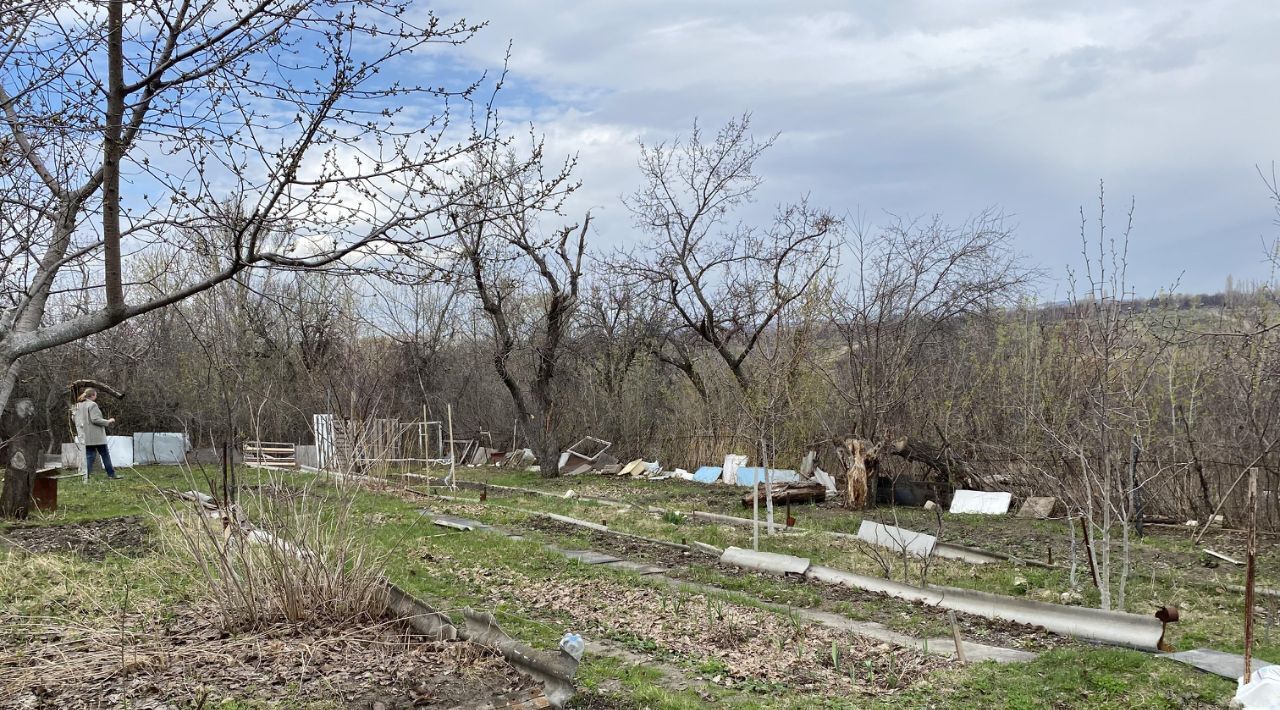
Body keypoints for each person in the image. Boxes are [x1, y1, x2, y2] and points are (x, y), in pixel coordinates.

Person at [74, 387, 120, 479]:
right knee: (105, 454)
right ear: (93, 395)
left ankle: (85, 475)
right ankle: (111, 475)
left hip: (85, 435)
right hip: (97, 437)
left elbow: (74, 419)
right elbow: (95, 419)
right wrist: (108, 421)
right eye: (96, 395)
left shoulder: (78, 405)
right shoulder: (92, 405)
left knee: (89, 456)